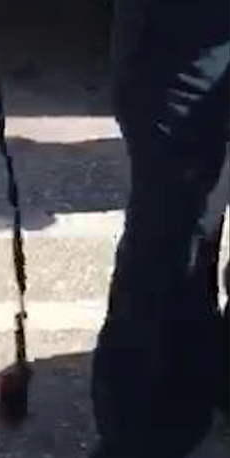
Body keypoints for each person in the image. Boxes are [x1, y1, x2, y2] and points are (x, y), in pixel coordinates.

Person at [91, 0, 229, 457]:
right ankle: (140, 431)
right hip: (186, 35)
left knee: (188, 233)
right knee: (172, 234)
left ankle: (206, 375)